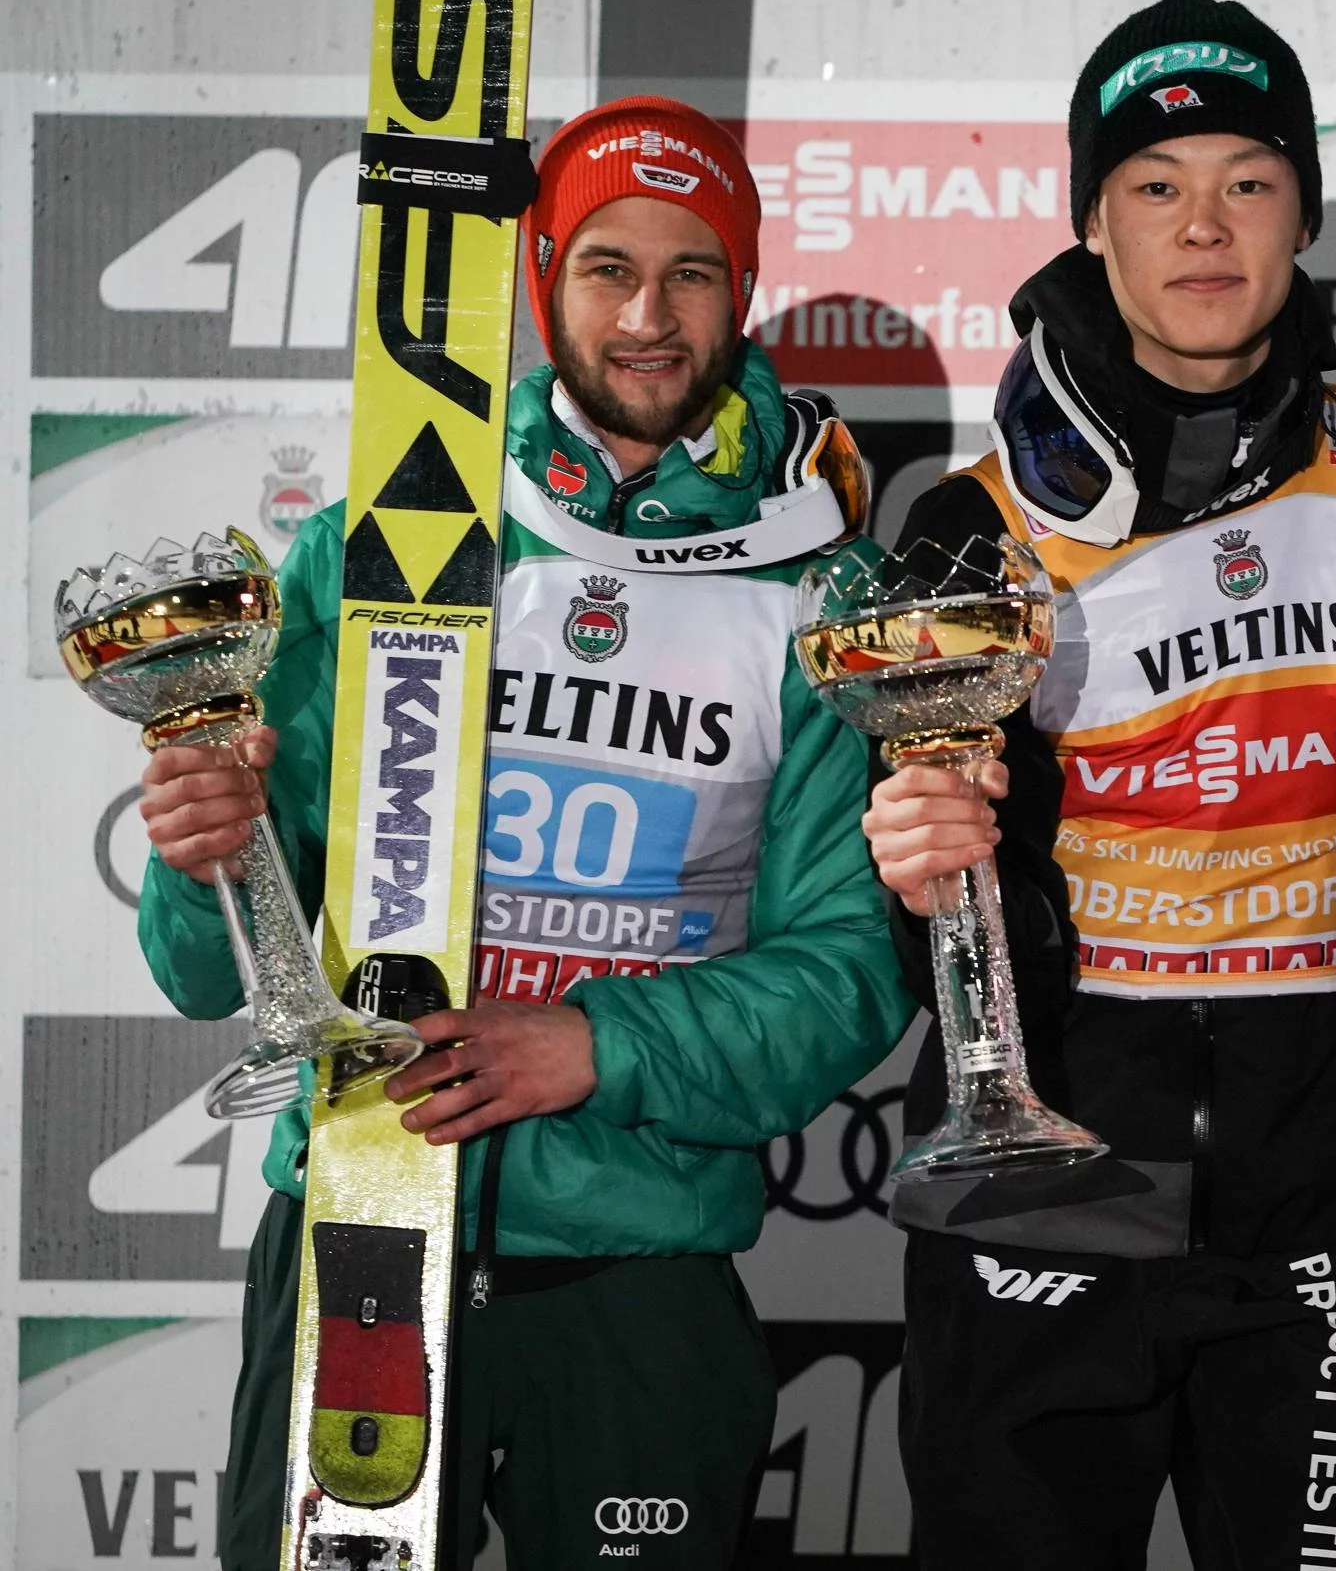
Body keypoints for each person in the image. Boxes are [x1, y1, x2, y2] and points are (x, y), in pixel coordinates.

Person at [134, 96, 913, 1569]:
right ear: (544, 274)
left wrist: (595, 1044)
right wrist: (201, 855)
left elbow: (849, 973)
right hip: (366, 1217)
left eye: (694, 273)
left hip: (643, 1263)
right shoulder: (396, 524)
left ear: (741, 293)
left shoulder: (817, 586)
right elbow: (213, 968)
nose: (647, 315)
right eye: (608, 265)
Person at [857, 0, 1336, 1565]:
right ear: (1091, 215)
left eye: (1248, 180)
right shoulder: (968, 521)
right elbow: (920, 937)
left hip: (1328, 1197)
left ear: (1301, 214)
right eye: (1155, 185)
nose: (1203, 227)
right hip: (1050, 1185)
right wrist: (905, 868)